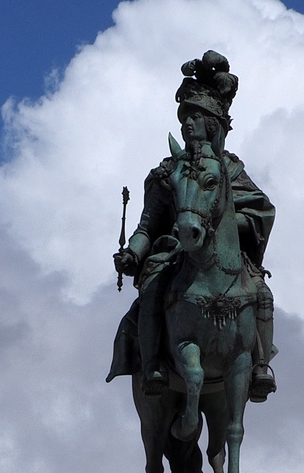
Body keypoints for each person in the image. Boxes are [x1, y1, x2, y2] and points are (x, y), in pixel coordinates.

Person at [109, 51, 277, 400]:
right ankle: (154, 362)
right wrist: (133, 254)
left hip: (225, 257)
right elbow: (148, 225)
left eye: (196, 117)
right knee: (154, 286)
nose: (187, 124)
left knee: (262, 293)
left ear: (212, 124)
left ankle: (260, 365)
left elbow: (262, 212)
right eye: (184, 116)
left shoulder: (231, 171)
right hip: (173, 253)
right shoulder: (165, 172)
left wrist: (228, 224)